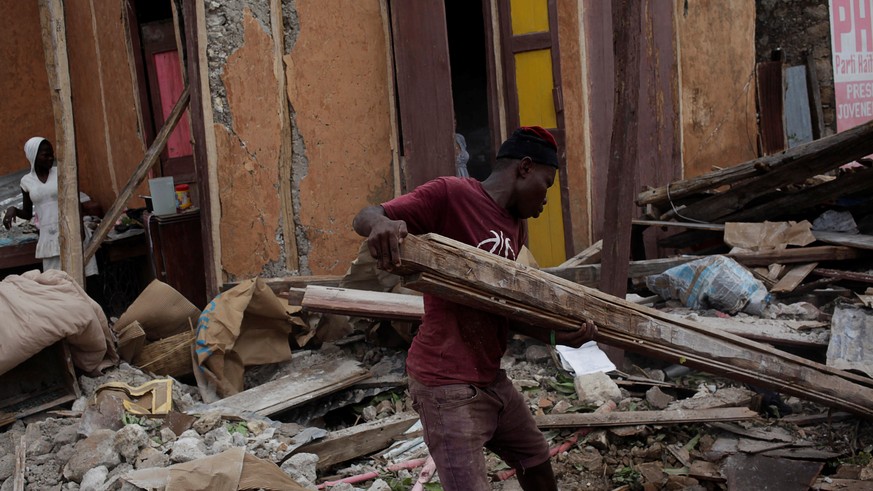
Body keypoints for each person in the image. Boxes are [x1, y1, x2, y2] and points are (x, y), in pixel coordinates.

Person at [353, 126, 598, 491]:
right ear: (525, 168)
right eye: (546, 184)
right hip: (446, 386)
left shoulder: (515, 227)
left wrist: (553, 334)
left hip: (490, 379)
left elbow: (500, 306)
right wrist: (382, 225)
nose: (546, 200)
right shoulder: (452, 194)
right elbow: (366, 215)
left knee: (536, 461)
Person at [2, 137, 97, 276]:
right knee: (56, 282)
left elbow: (75, 201)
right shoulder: (26, 181)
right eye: (45, 155)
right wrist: (13, 210)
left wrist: (80, 229)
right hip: (49, 239)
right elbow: (28, 214)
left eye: (51, 154)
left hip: (72, 231)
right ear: (34, 156)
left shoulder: (61, 173)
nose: (51, 158)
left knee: (84, 277)